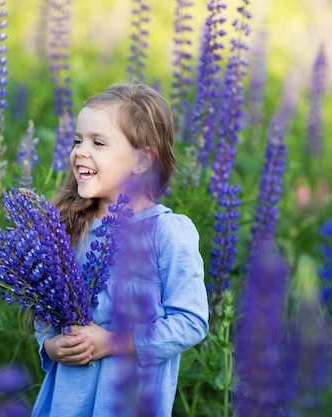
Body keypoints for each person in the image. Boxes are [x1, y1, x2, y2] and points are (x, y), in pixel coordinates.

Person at [31, 82, 209, 417]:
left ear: (141, 160)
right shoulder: (67, 227)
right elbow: (44, 311)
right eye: (77, 140)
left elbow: (191, 321)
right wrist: (52, 346)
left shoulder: (167, 233)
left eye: (98, 142)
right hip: (65, 404)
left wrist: (112, 342)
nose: (80, 151)